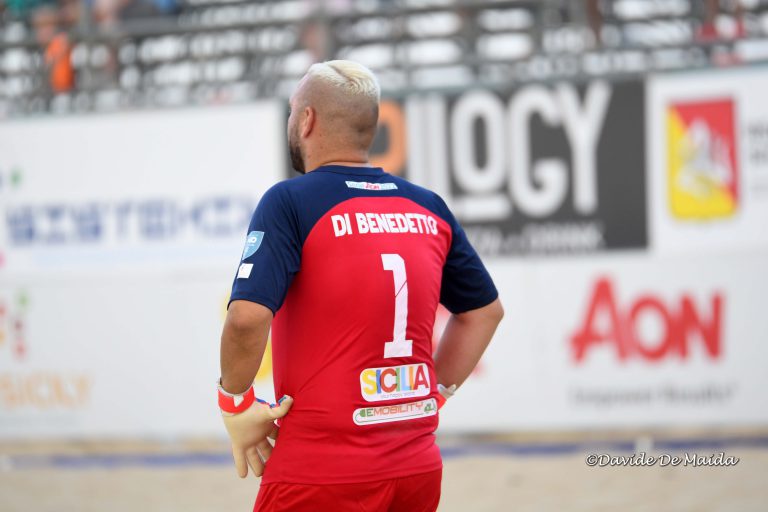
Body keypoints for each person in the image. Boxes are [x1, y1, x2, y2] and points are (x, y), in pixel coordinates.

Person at [218, 59, 504, 512]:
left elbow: (246, 319)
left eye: (292, 110)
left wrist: (235, 402)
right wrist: (435, 395)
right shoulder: (428, 206)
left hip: (320, 470)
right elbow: (485, 312)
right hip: (416, 467)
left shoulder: (290, 201)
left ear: (307, 120)